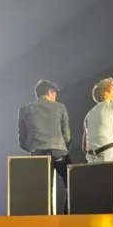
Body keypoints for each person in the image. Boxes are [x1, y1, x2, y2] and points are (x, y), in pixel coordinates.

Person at [17, 80, 72, 215]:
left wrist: (31, 149)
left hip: (38, 153)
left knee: (40, 190)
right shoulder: (60, 108)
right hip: (59, 151)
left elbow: (22, 137)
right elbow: (67, 134)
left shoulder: (25, 109)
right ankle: (68, 215)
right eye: (55, 94)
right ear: (49, 92)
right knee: (72, 182)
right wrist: (64, 147)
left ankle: (43, 218)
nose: (55, 97)